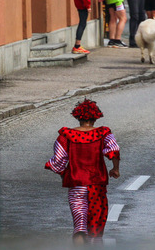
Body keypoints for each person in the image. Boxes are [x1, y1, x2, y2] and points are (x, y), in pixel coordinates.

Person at [45, 99, 121, 242]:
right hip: (97, 185)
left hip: (76, 184)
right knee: (96, 223)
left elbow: (58, 160)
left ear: (77, 117)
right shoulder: (103, 133)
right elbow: (114, 150)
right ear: (96, 117)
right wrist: (115, 169)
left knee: (80, 226)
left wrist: (64, 174)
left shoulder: (66, 135)